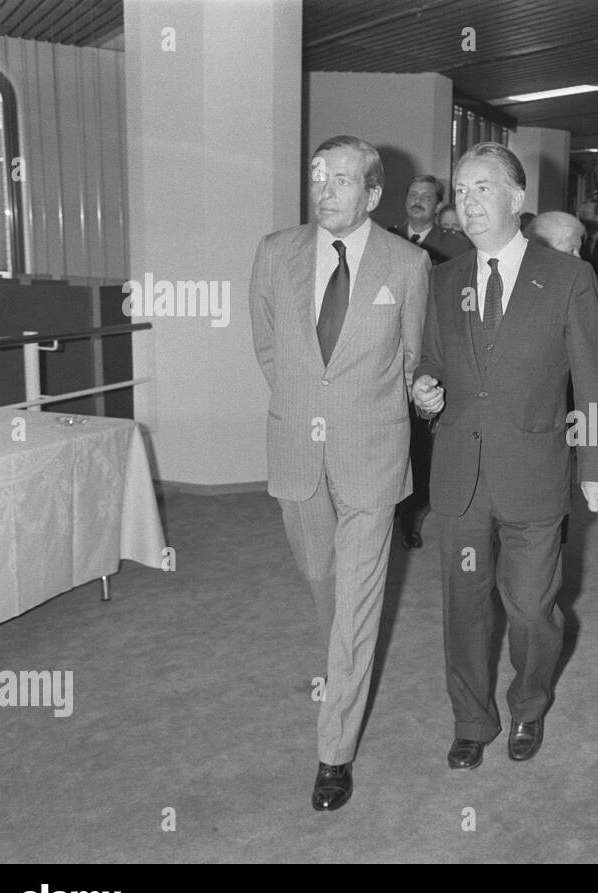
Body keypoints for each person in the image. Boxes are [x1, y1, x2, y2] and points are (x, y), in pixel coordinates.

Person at [413, 142, 598, 770]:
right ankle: (472, 720)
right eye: (461, 190)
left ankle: (530, 705)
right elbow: (434, 363)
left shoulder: (566, 277)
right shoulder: (443, 278)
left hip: (534, 476)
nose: (467, 203)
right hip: (460, 478)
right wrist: (424, 393)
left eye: (481, 188)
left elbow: (595, 382)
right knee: (465, 609)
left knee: (531, 610)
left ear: (516, 199)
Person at [250, 134, 430, 811]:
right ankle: (339, 659)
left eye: (344, 179)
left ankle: (334, 753)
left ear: (374, 193)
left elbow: (412, 358)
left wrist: (411, 397)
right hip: (297, 447)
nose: (326, 189)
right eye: (319, 175)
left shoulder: (409, 265)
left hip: (372, 456)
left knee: (357, 602)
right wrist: (307, 401)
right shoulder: (274, 254)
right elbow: (268, 345)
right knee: (320, 580)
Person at [389, 174, 473, 550]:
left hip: (430, 356)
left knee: (420, 444)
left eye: (427, 196)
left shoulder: (455, 247)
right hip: (387, 355)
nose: (418, 200)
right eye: (413, 193)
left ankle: (410, 516)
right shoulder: (384, 241)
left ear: (439, 205)